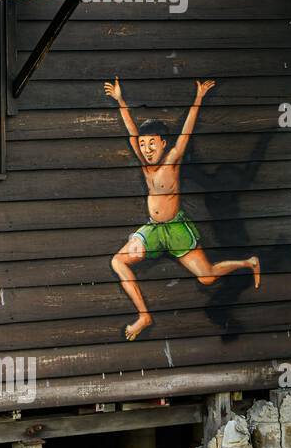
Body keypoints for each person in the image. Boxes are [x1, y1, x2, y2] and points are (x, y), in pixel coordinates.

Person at [105, 78, 261, 341]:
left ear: (163, 143)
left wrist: (199, 97)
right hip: (154, 230)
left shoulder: (171, 160)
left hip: (176, 229)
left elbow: (186, 132)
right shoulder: (145, 165)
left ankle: (248, 262)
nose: (147, 149)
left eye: (152, 143)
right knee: (118, 261)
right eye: (144, 145)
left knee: (207, 278)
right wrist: (120, 100)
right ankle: (144, 315)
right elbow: (131, 130)